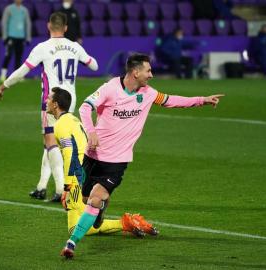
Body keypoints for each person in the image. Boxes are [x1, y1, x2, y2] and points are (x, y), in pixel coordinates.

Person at [60, 53, 224, 259]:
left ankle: (71, 243)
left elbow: (171, 100)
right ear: (135, 72)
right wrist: (91, 131)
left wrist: (202, 100)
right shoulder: (110, 88)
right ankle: (100, 209)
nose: (151, 75)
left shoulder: (147, 93)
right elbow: (85, 107)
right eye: (148, 70)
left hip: (118, 160)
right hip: (94, 156)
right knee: (87, 198)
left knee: (95, 198)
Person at [0, 12, 98, 202]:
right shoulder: (75, 47)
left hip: (52, 101)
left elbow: (22, 71)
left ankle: (60, 190)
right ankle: (41, 186)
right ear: (66, 27)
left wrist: (3, 86)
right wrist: (81, 57)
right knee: (51, 144)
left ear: (48, 26)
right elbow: (95, 66)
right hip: (70, 99)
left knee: (51, 143)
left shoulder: (43, 48)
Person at [46, 87, 158, 240]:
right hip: (85, 168)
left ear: (55, 104)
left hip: (77, 175)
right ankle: (124, 222)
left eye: (49, 98)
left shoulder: (60, 125)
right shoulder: (72, 119)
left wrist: (67, 187)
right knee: (76, 226)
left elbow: (69, 154)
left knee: (81, 227)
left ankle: (126, 223)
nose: (46, 100)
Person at [0, 0, 32, 81]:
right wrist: (5, 36)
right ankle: (3, 75)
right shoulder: (9, 9)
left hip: (20, 37)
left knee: (19, 57)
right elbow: (4, 22)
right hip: (11, 36)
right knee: (8, 55)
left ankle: (17, 76)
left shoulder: (24, 10)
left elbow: (28, 23)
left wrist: (28, 37)